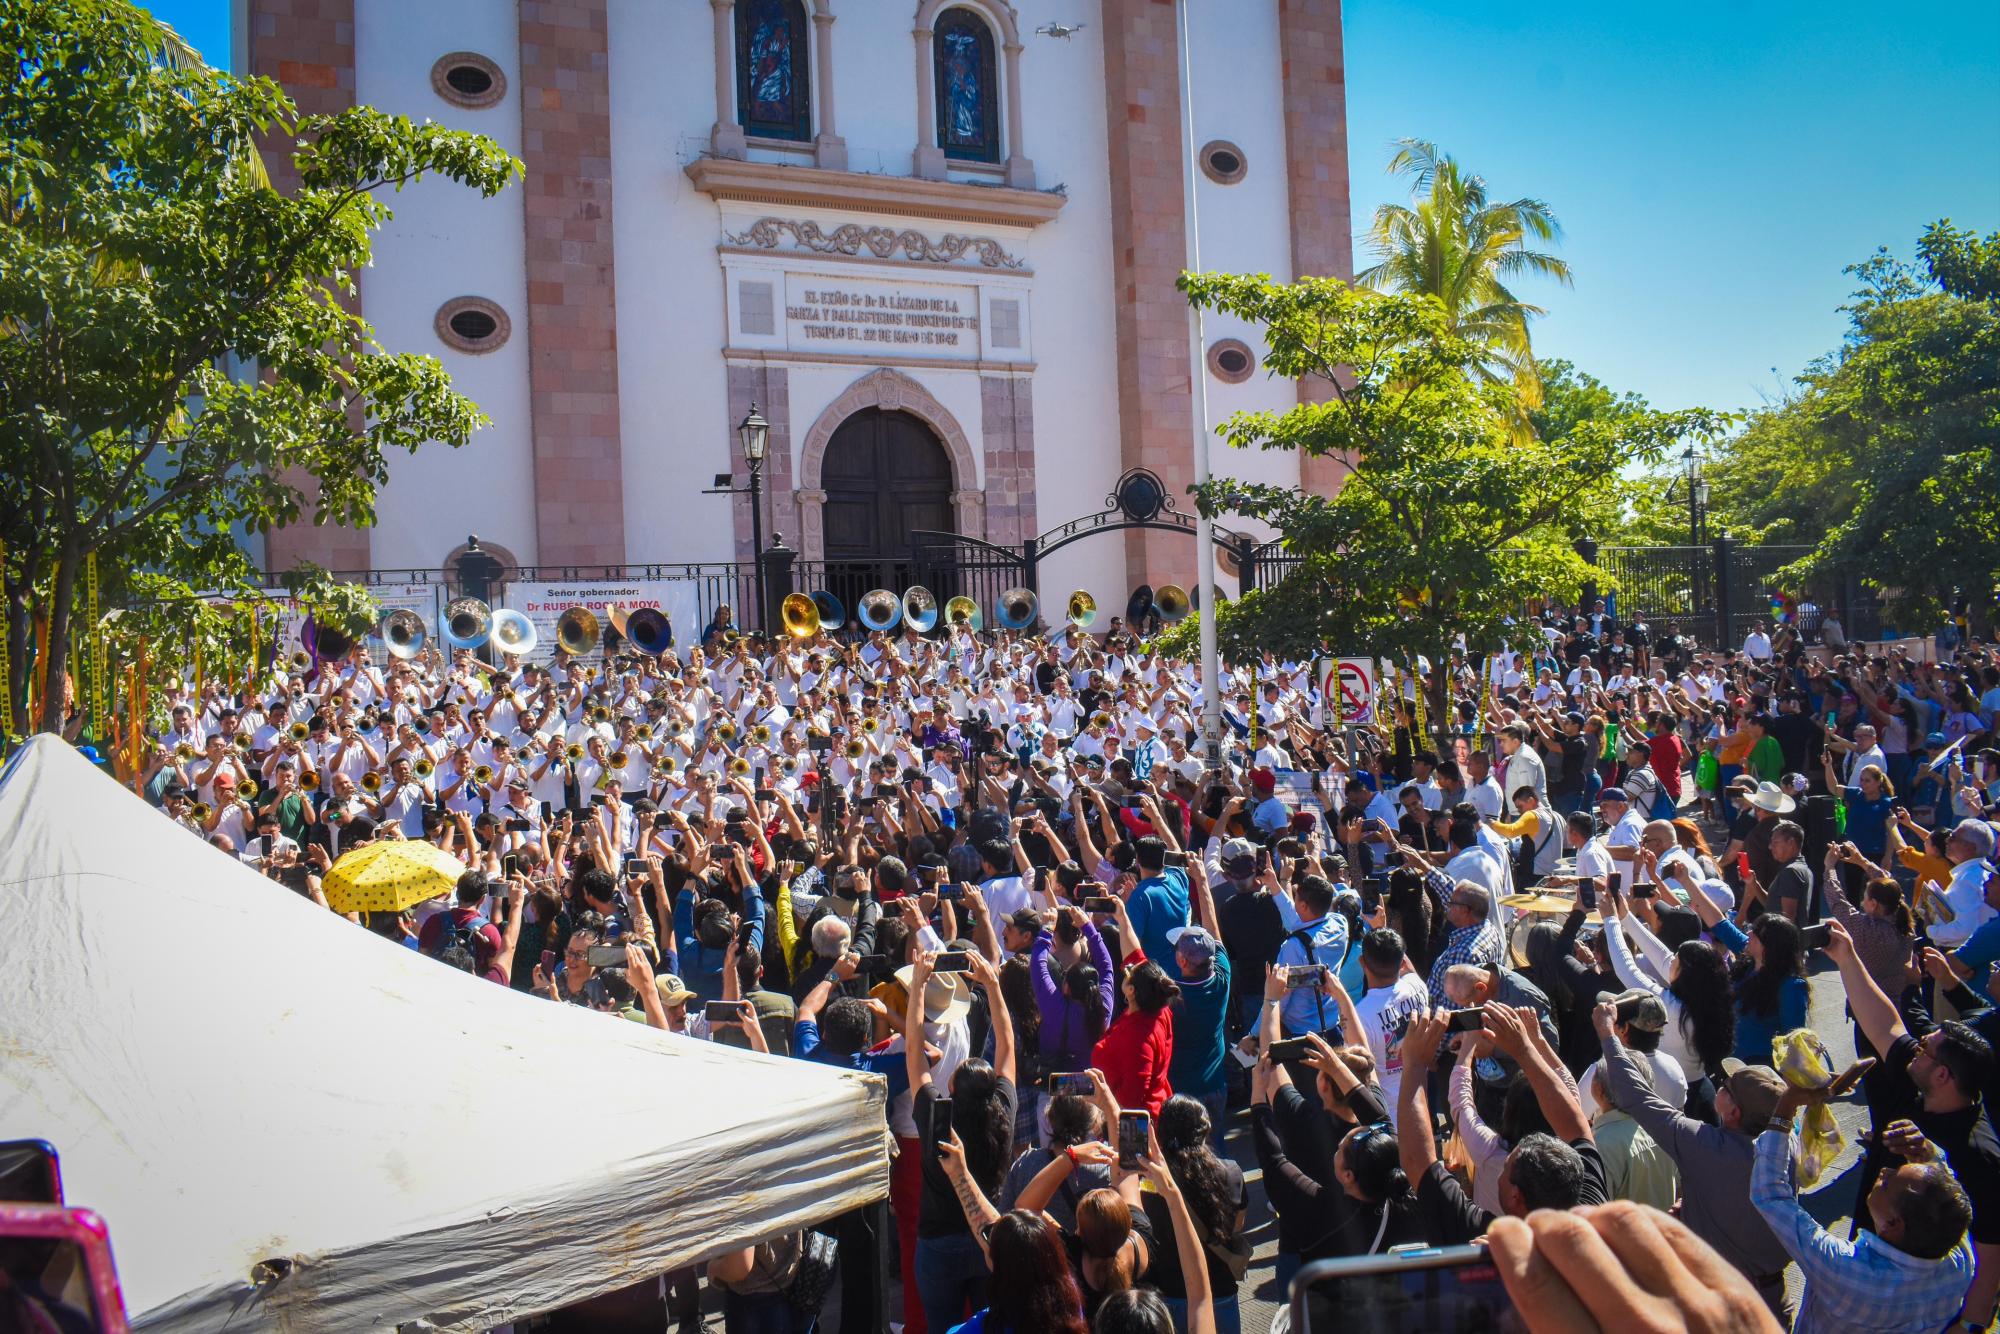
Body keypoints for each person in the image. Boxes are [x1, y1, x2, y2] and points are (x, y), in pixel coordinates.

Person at [1823, 918, 2000, 1332]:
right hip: (1869, 1272)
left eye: (1925, 1050)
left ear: (1943, 1076)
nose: (1914, 1050)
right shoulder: (1923, 1085)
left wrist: (1971, 1325)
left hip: (1920, 1312)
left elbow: (1991, 1253)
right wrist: (1847, 957)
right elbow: (1886, 1024)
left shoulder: (1980, 1155)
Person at [1594, 1000, 1796, 1314]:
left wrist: (1607, 1033)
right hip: (1774, 1297)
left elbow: (1634, 1095)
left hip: (1726, 1300)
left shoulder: (1705, 1146)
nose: (1721, 1084)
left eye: (1727, 1086)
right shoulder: (1787, 1145)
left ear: (1733, 1112)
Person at [1751, 1079, 1976, 1334]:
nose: (1884, 1170)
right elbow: (1952, 1202)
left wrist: (1786, 1106)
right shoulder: (1958, 1261)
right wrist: (1928, 1154)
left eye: (1890, 1182)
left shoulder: (1847, 1269)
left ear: (1893, 1223)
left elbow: (1770, 1194)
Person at [1395, 1003, 1606, 1244]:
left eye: (1505, 1168)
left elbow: (1416, 1162)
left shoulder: (1488, 1238)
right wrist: (1526, 1048)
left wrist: (1413, 1064)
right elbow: (1575, 1124)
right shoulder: (1590, 1209)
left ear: (1515, 1196)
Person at [908, 948, 1018, 1333]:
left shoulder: (937, 1116)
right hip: (990, 1239)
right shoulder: (1003, 1109)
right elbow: (1007, 1044)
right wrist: (993, 986)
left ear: (952, 1088)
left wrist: (917, 989)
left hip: (939, 1245)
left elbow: (914, 1056)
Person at [1092, 956, 1178, 1119]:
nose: (1128, 969)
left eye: (1131, 972)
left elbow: (1131, 1099)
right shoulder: (1158, 1010)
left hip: (1136, 1126)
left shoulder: (1139, 1038)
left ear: (1131, 990)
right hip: (1153, 1106)